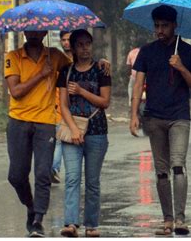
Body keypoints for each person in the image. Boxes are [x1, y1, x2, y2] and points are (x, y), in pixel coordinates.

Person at [4, 30, 111, 237]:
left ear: (44, 32)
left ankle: (38, 221)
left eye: (38, 30)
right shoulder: (13, 57)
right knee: (16, 176)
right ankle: (31, 206)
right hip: (18, 120)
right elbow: (16, 92)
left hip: (45, 122)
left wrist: (102, 62)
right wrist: (42, 74)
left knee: (44, 174)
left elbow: (76, 65)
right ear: (24, 32)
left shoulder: (54, 56)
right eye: (29, 30)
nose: (33, 34)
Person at [130, 5, 191, 236]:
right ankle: (167, 220)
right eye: (157, 26)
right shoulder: (147, 52)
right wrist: (133, 115)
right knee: (161, 171)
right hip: (154, 117)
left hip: (179, 117)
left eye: (164, 26)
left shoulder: (188, 52)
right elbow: (138, 85)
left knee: (178, 166)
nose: (160, 30)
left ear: (174, 26)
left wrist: (181, 67)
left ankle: (181, 219)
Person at [57, 29, 111, 238]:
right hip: (73, 131)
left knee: (92, 181)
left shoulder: (101, 70)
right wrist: (73, 130)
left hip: (97, 131)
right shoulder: (66, 71)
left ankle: (91, 224)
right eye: (80, 44)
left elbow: (104, 102)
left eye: (87, 43)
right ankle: (71, 222)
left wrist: (81, 91)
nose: (85, 48)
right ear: (73, 47)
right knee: (71, 178)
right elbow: (63, 106)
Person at [51, 31, 73, 184]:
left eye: (69, 40)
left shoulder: (78, 60)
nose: (66, 42)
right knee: (59, 140)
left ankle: (54, 168)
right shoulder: (57, 59)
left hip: (75, 107)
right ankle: (53, 168)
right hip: (58, 105)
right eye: (63, 40)